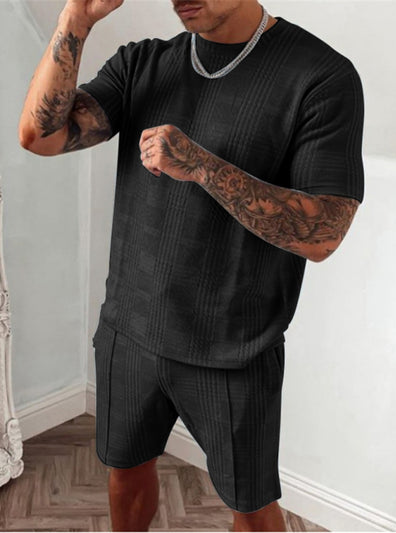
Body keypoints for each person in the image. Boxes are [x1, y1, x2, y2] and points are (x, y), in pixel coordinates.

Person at [18, 0, 364, 530]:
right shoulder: (143, 62)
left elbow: (323, 235)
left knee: (252, 508)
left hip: (234, 347)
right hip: (130, 330)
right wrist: (75, 20)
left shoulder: (321, 76)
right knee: (125, 472)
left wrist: (202, 166)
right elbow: (39, 136)